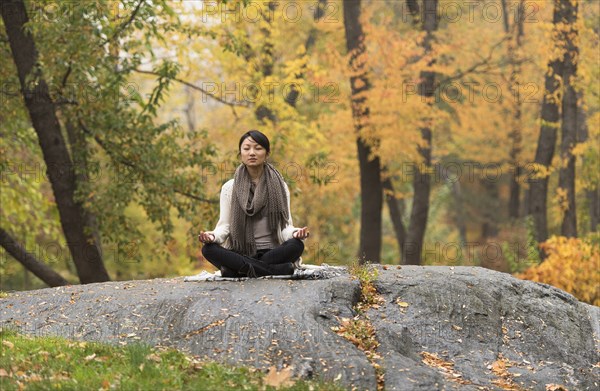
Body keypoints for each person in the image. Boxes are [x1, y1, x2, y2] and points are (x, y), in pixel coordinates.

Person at [198, 130, 310, 278]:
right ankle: (277, 270)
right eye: (246, 148)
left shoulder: (279, 186)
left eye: (258, 148)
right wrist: (212, 237)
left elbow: (285, 227)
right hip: (240, 251)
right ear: (240, 154)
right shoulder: (229, 188)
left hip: (272, 252)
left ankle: (237, 271)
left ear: (267, 153)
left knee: (296, 245)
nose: (252, 153)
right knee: (208, 249)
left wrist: (295, 233)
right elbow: (224, 226)